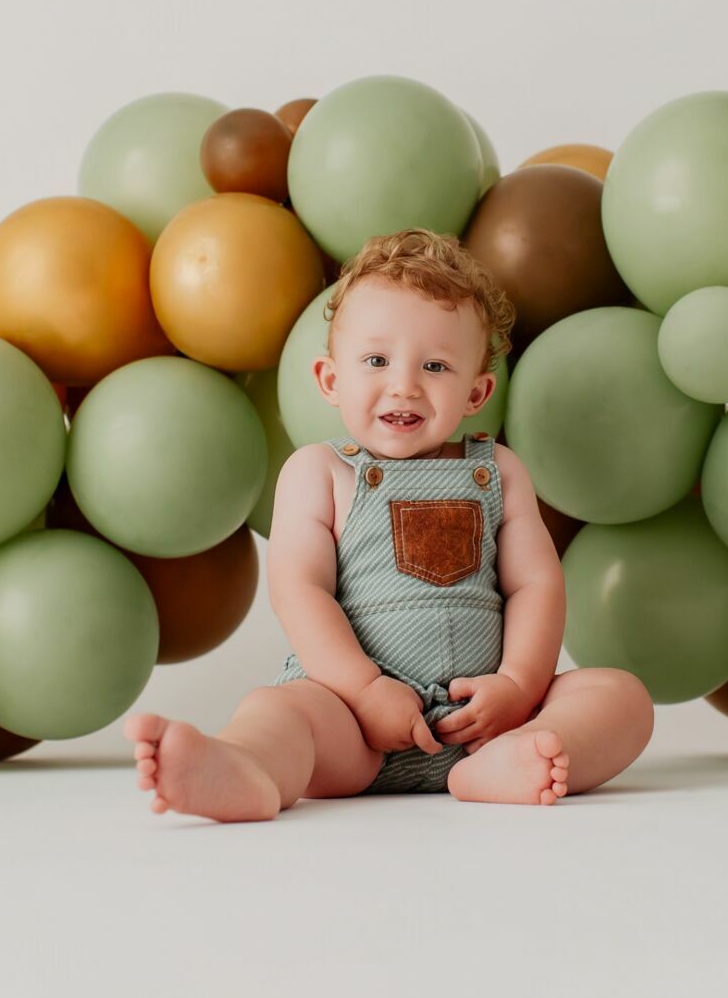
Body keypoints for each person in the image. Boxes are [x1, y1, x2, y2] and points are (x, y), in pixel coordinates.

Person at [125, 228, 654, 821]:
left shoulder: (499, 471)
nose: (404, 385)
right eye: (376, 361)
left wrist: (517, 686)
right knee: (280, 711)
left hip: (488, 723)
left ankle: (509, 763)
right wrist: (365, 690)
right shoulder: (320, 473)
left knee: (620, 697)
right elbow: (301, 591)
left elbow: (536, 585)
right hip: (353, 725)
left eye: (435, 365)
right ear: (331, 380)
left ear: (476, 392)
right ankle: (247, 766)